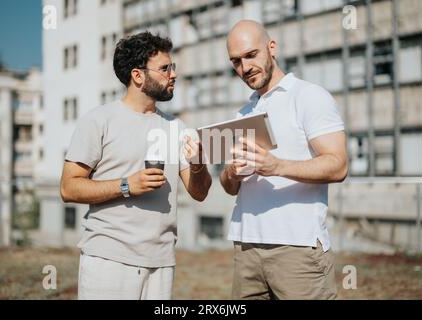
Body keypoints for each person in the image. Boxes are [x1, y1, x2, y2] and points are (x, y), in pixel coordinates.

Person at [60, 31, 212, 300]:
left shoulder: (177, 128)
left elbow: (199, 193)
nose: (173, 74)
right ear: (138, 75)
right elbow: (68, 188)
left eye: (172, 67)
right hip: (109, 260)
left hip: (161, 262)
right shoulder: (98, 120)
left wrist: (198, 164)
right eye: (165, 68)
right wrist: (126, 185)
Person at [220, 20, 348, 300]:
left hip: (297, 249)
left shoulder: (309, 96)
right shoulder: (244, 112)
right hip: (246, 247)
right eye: (236, 61)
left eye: (251, 55)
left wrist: (277, 166)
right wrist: (232, 172)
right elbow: (229, 187)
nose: (245, 67)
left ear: (272, 47)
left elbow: (338, 165)